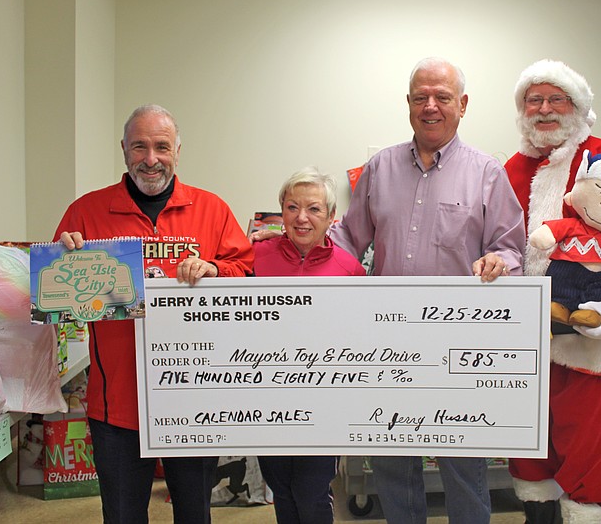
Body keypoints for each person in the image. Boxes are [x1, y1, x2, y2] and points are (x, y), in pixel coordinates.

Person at [330, 57, 526, 523]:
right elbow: (347, 242)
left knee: (463, 464)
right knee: (393, 459)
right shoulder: (379, 168)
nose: (431, 106)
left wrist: (501, 261)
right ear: (408, 104)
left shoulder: (486, 173)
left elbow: (512, 248)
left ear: (462, 105)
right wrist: (291, 249)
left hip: (458, 345)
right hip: (387, 342)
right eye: (421, 97)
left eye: (442, 97)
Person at [55, 104, 254, 523]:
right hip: (117, 404)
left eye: (161, 147)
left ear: (177, 151)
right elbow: (53, 298)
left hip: (193, 395)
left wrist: (216, 268)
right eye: (140, 147)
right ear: (123, 150)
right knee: (124, 514)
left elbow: (247, 271)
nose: (150, 159)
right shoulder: (86, 213)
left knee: (194, 512)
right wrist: (63, 260)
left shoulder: (212, 209)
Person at [503, 60, 601, 523]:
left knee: (592, 453)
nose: (544, 109)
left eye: (557, 99)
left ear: (579, 107)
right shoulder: (511, 168)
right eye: (534, 100)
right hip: (530, 337)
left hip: (599, 345)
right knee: (531, 445)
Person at [254, 167, 365, 523]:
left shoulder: (349, 269)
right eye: (292, 207)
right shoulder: (254, 258)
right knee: (281, 489)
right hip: (267, 397)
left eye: (314, 209)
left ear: (332, 217)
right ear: (281, 211)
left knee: (312, 491)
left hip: (324, 404)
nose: (302, 218)